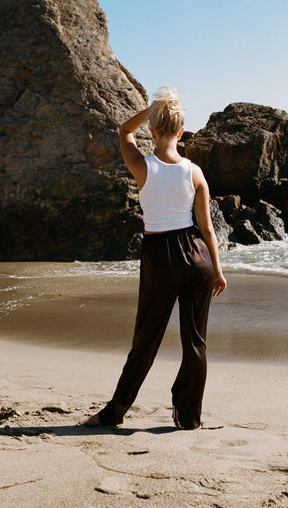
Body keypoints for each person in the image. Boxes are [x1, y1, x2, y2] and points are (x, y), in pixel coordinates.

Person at [84, 87, 227, 430]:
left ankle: (114, 413)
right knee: (196, 341)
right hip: (197, 256)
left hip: (160, 256)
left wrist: (150, 110)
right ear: (181, 132)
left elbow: (123, 131)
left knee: (146, 341)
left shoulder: (142, 165)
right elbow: (208, 230)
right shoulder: (195, 172)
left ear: (152, 129)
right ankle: (189, 417)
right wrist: (219, 271)